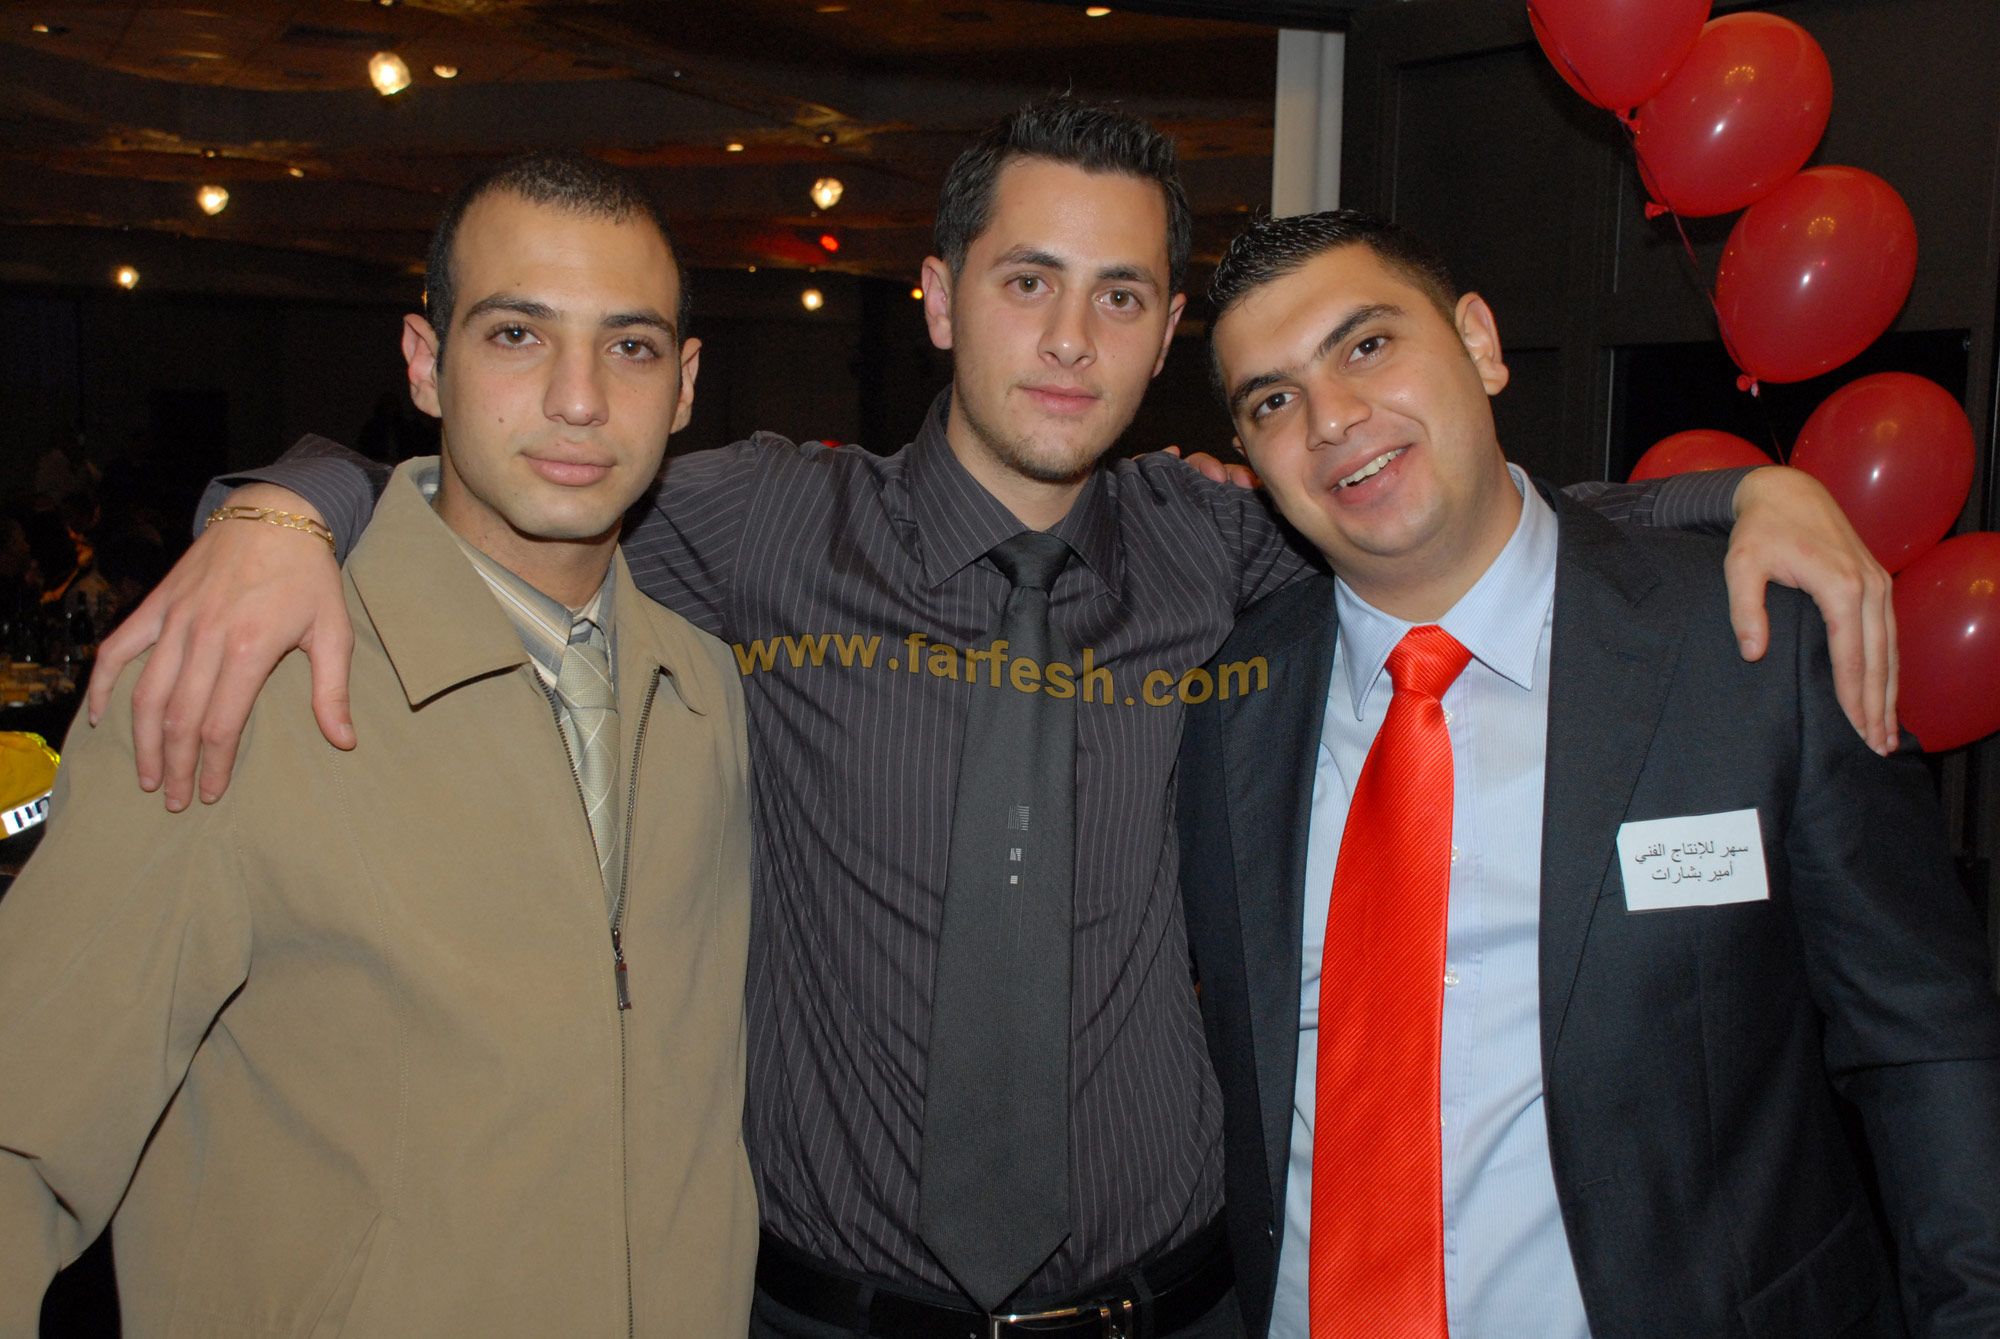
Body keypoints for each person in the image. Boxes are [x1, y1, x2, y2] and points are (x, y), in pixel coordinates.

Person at [89, 99, 1894, 1338]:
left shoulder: (1226, 543)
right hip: (824, 1309)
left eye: (1122, 296)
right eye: (1027, 281)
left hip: (1180, 1302)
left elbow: (1457, 507)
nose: (1069, 340)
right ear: (942, 297)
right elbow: (510, 470)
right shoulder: (757, 526)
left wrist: (1741, 497)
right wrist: (282, 504)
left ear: (1170, 333)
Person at [1177, 209, 2000, 1339]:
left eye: (1366, 345)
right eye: (1271, 400)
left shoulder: (1750, 649)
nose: (1331, 419)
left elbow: (1922, 1045)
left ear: (1478, 343)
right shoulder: (1224, 705)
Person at [0, 151, 758, 1334]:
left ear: (685, 384)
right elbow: (22, 1132)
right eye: (517, 335)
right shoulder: (235, 682)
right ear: (424, 362)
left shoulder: (704, 692)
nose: (578, 398)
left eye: (630, 346)